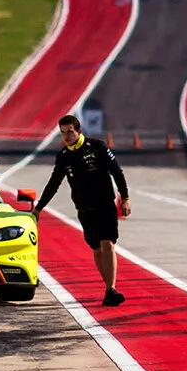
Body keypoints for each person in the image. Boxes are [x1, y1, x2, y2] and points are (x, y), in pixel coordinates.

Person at [33, 112, 131, 307]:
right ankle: (108, 289)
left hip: (104, 204)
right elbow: (53, 184)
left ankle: (111, 289)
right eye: (63, 133)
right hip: (84, 208)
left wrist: (125, 198)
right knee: (96, 249)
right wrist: (39, 208)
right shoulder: (63, 156)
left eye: (70, 132)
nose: (67, 137)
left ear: (79, 131)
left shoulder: (97, 147)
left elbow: (117, 172)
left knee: (108, 243)